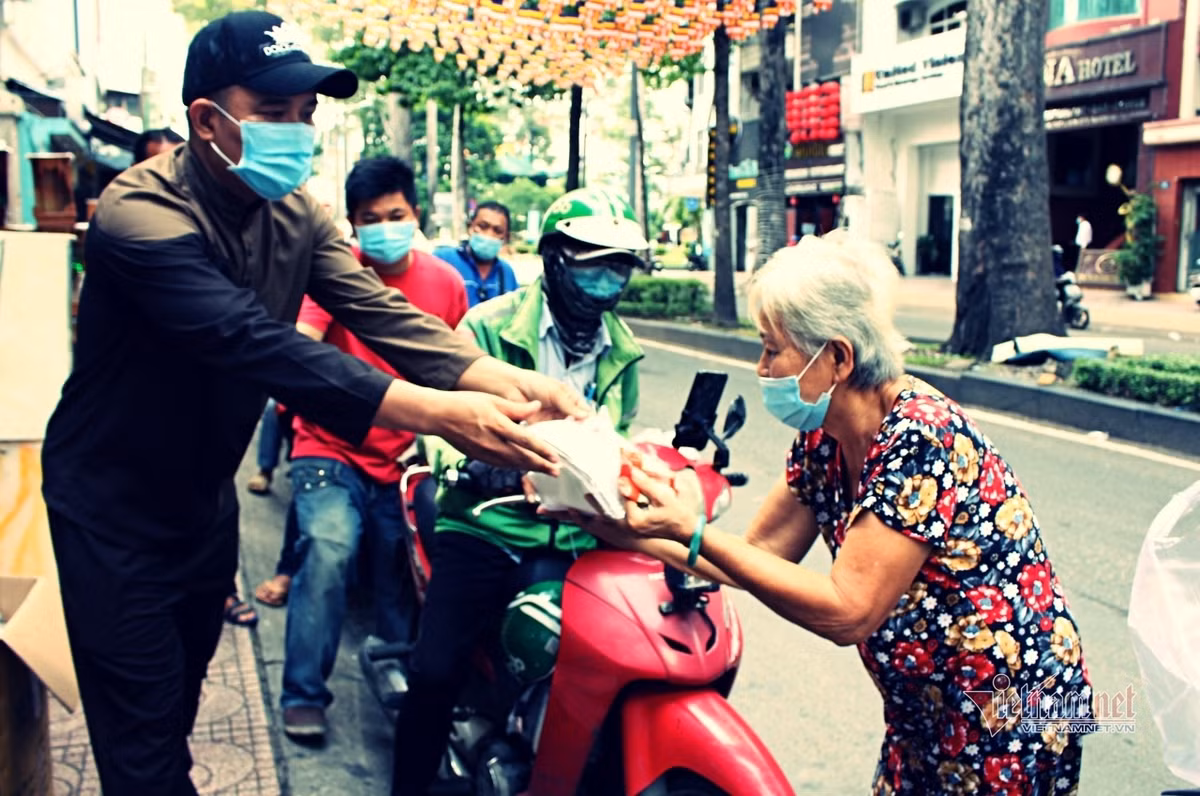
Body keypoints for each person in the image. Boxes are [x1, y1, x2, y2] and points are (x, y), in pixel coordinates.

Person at [40, 11, 585, 795]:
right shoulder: (138, 218)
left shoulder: (296, 216)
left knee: (176, 707)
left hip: (200, 502)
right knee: (143, 748)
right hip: (111, 511)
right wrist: (442, 416)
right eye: (272, 113)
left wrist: (503, 380)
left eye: (306, 115)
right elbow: (260, 346)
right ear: (206, 120)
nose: (296, 133)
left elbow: (383, 313)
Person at [576, 232, 1093, 795]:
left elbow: (848, 612)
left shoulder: (920, 437)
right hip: (923, 715)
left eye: (773, 348)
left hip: (1011, 713)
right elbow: (758, 556)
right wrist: (620, 522)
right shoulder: (823, 439)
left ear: (839, 357)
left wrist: (689, 530)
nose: (762, 365)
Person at [391, 187, 648, 795]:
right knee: (434, 673)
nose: (608, 278)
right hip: (486, 525)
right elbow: (447, 431)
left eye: (620, 264)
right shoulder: (487, 323)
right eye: (593, 261)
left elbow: (621, 434)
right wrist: (503, 467)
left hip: (580, 536)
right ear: (556, 258)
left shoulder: (624, 350)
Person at [279, 156, 469, 738]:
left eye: (396, 214)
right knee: (331, 549)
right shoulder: (337, 272)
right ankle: (303, 693)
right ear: (354, 225)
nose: (385, 226)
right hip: (327, 447)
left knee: (404, 573)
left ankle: (401, 690)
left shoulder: (445, 283)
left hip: (404, 460)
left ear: (415, 214)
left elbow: (458, 367)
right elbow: (299, 346)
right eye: (371, 218)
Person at [433, 200, 518, 306]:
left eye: (498, 230)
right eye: (482, 226)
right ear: (470, 227)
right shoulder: (443, 259)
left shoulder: (506, 272)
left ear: (506, 237)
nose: (489, 234)